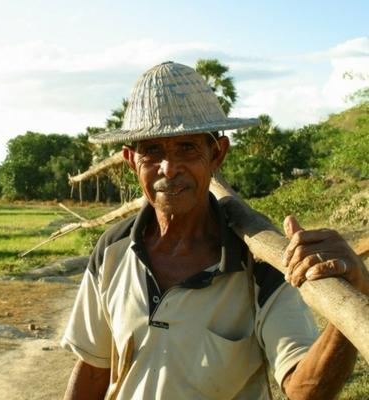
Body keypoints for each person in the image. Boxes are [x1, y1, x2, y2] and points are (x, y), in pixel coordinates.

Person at [60, 61, 369, 400]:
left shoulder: (263, 265)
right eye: (152, 151)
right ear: (131, 160)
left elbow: (305, 390)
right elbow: (93, 369)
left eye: (187, 148)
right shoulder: (113, 249)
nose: (169, 168)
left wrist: (355, 295)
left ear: (217, 153)